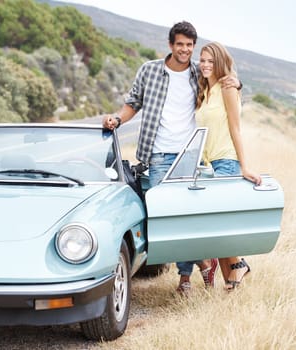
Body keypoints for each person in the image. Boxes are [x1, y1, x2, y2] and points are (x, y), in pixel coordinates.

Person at [102, 21, 240, 294]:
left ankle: (185, 278)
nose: (185, 50)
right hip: (158, 155)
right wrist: (117, 118)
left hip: (190, 155)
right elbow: (133, 103)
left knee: (186, 217)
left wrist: (237, 82)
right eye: (180, 45)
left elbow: (219, 85)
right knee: (163, 217)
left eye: (190, 45)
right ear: (170, 45)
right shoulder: (150, 70)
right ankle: (203, 262)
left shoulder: (197, 73)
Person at [195, 41, 261, 291]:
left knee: (216, 224)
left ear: (221, 63)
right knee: (214, 225)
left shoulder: (227, 88)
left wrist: (244, 167)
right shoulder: (204, 90)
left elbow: (235, 128)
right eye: (202, 60)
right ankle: (233, 278)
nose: (205, 65)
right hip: (207, 165)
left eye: (211, 61)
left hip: (226, 161)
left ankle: (239, 265)